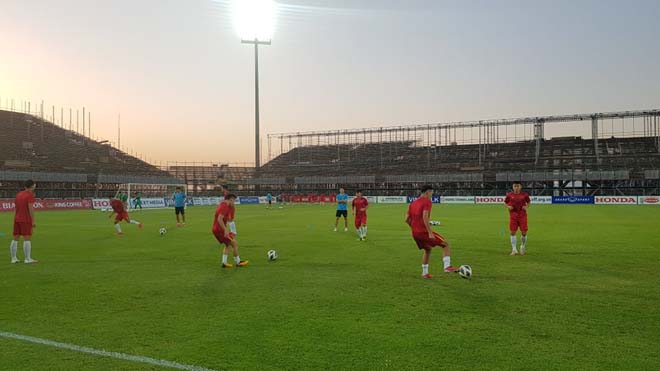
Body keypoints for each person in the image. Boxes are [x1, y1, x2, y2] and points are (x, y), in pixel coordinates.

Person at [405, 185, 457, 278]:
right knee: (445, 244)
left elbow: (407, 219)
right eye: (431, 192)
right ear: (427, 192)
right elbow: (425, 217)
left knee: (428, 249)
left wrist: (414, 228)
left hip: (415, 233)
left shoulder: (413, 203)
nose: (432, 195)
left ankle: (425, 273)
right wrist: (430, 232)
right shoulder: (427, 202)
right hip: (424, 232)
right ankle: (447, 267)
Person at [212, 194, 248, 268]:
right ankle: (238, 262)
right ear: (231, 199)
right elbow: (219, 219)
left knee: (227, 245)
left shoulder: (224, 204)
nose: (234, 202)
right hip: (220, 229)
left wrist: (232, 228)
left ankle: (224, 262)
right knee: (234, 244)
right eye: (234, 200)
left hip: (216, 229)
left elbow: (228, 219)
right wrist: (225, 230)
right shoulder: (224, 206)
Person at [10, 180, 38, 264]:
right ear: (32, 186)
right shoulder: (30, 195)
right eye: (34, 185)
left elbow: (16, 207)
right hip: (25, 219)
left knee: (15, 239)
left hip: (17, 219)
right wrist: (33, 220)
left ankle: (13, 258)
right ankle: (27, 259)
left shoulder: (18, 194)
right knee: (27, 239)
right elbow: (30, 209)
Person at [504, 181, 531, 256]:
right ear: (513, 187)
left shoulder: (524, 195)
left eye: (517, 186)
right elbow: (505, 203)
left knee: (524, 232)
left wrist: (526, 207)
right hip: (513, 216)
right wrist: (508, 206)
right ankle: (514, 249)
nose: (516, 187)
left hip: (522, 215)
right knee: (512, 232)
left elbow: (528, 202)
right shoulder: (509, 195)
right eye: (515, 186)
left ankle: (522, 246)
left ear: (520, 187)